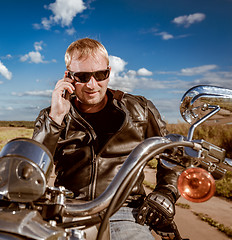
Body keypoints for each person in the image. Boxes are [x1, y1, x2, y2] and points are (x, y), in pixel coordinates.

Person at [32, 38, 179, 239]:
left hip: (126, 212)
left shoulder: (139, 110)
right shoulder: (51, 116)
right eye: (82, 77)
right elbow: (33, 170)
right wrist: (56, 118)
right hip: (68, 212)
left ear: (108, 72)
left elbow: (173, 155)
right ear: (68, 77)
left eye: (100, 74)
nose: (92, 85)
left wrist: (166, 192)